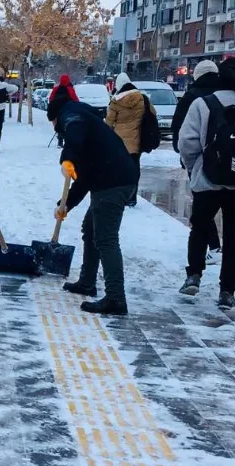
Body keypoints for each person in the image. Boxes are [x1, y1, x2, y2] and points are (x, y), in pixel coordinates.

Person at [176, 58, 235, 311]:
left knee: (200, 228)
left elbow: (187, 141)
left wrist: (194, 168)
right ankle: (227, 290)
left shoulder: (204, 104)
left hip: (208, 181)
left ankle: (194, 275)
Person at [47, 85, 138, 315]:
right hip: (113, 178)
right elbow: (85, 178)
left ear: (56, 117)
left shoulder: (72, 115)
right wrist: (66, 204)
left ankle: (116, 298)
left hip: (113, 182)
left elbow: (74, 133)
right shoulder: (86, 118)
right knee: (90, 229)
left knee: (106, 238)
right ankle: (87, 281)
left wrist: (68, 157)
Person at [172, 60, 223, 263]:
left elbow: (180, 131)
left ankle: (212, 248)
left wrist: (186, 157)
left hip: (200, 160)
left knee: (203, 205)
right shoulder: (225, 93)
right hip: (232, 160)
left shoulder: (192, 96)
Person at [106, 72, 155, 207]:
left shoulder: (115, 101)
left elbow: (108, 123)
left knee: (120, 171)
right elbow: (153, 113)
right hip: (137, 142)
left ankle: (122, 196)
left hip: (119, 143)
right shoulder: (142, 98)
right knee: (135, 170)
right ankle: (132, 197)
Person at [49, 74, 79, 148]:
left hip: (57, 110)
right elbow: (75, 99)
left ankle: (60, 141)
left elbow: (51, 98)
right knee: (67, 125)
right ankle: (67, 140)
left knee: (59, 125)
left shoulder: (56, 88)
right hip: (67, 110)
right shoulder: (70, 89)